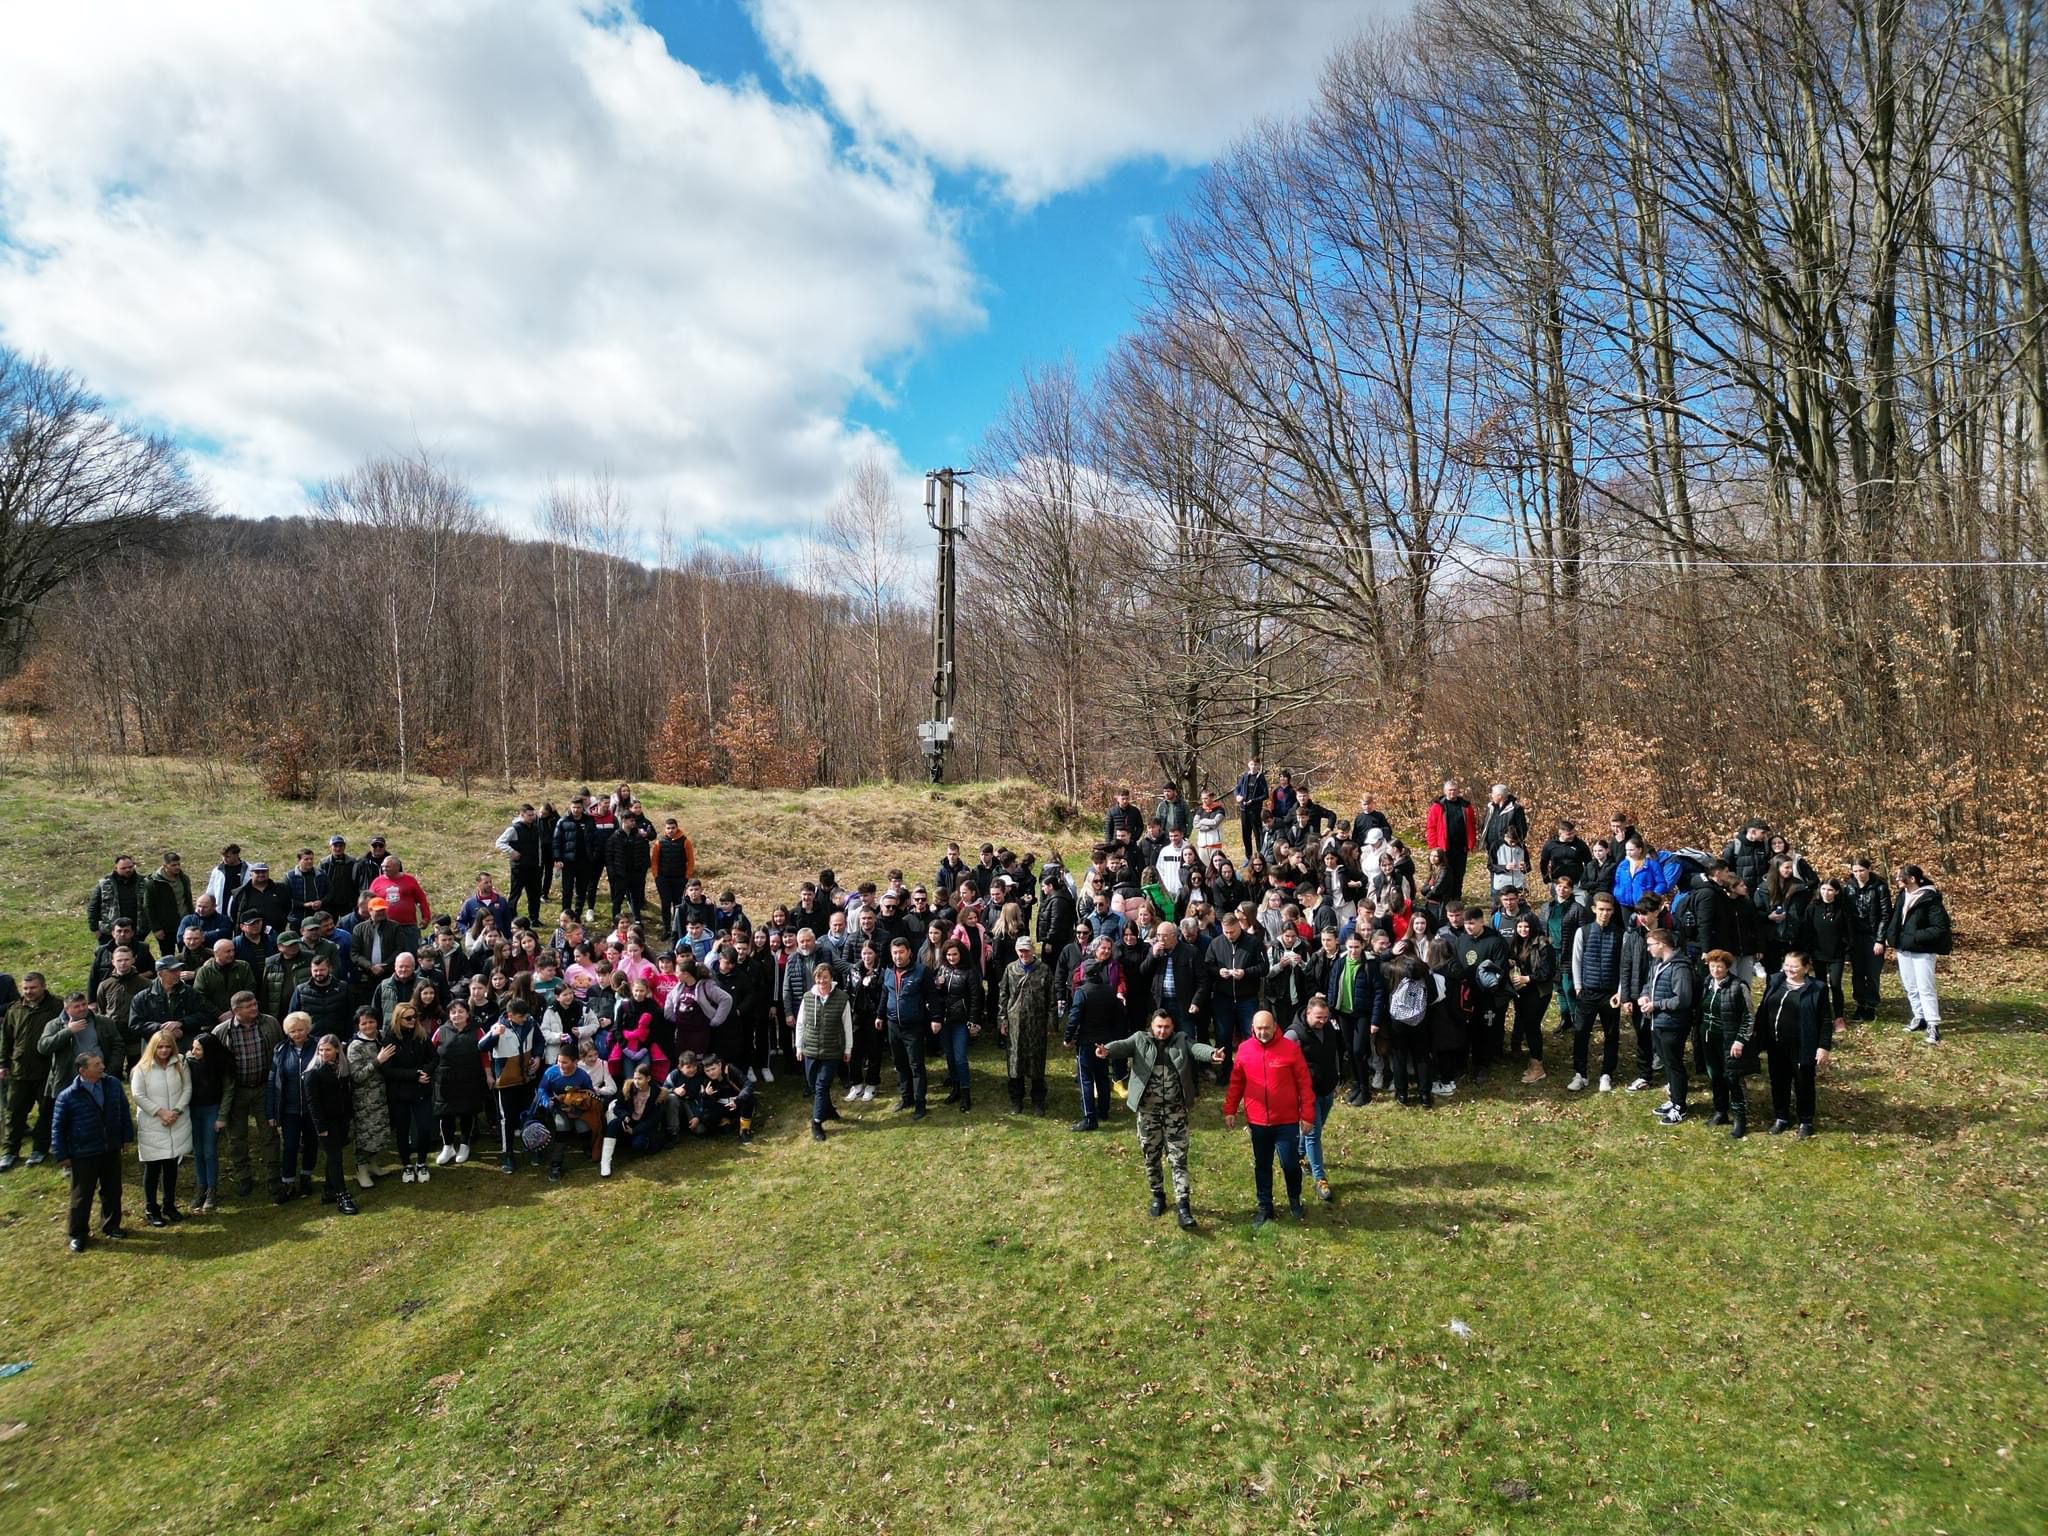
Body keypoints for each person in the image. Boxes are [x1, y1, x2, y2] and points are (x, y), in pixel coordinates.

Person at [1099, 1008, 1219, 1229]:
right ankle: (1158, 1196)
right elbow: (1122, 1046)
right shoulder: (1140, 1040)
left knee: (1179, 1159)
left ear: (1173, 1027)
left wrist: (1211, 1053)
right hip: (1148, 1113)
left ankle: (1184, 1207)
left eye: (1167, 1027)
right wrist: (1107, 1050)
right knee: (1151, 1157)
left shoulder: (1181, 1040)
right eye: (1159, 1027)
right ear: (1151, 1027)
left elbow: (1196, 1048)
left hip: (1176, 1113)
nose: (1162, 1031)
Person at [1222, 1009, 1314, 1227]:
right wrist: (1230, 1109)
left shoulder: (1290, 1050)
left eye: (1267, 1028)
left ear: (1275, 1027)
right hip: (1258, 1121)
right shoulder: (1244, 1050)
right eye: (1258, 1028)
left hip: (1286, 1120)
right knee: (1262, 1165)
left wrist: (1308, 1115)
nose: (1263, 1032)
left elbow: (1304, 1083)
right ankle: (1265, 1207)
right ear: (1252, 1028)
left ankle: (1294, 1200)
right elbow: (1236, 1083)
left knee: (1290, 1164)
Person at [52, 1050, 132, 1253]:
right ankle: (78, 1234)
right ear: (83, 1070)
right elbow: (58, 1128)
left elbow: (123, 1110)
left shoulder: (112, 1084)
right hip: (84, 1152)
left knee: (113, 1190)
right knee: (81, 1195)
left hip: (110, 1148)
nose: (102, 1067)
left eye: (101, 1063)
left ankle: (111, 1225)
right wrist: (62, 1155)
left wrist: (126, 1137)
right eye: (97, 1065)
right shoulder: (68, 1096)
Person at [214, 989, 284, 1197]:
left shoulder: (270, 1023)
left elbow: (279, 1049)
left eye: (255, 1004)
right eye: (249, 1006)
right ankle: (243, 1176)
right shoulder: (221, 1032)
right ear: (236, 1011)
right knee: (236, 1137)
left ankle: (273, 1176)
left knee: (269, 1134)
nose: (254, 1008)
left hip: (264, 1087)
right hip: (236, 1091)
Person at [1756, 952, 1833, 1138]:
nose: (1789, 969)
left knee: (1803, 1083)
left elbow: (1825, 1019)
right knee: (1778, 1082)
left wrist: (1823, 1046)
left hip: (1802, 1045)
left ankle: (1805, 1121)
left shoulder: (1817, 988)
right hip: (1776, 1044)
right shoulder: (1775, 980)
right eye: (1787, 965)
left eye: (1794, 966)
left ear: (1806, 968)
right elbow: (1763, 1009)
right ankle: (1781, 1117)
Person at [129, 1027, 192, 1226]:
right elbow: (138, 1096)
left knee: (172, 1166)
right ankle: (151, 1208)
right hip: (154, 1123)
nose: (164, 1051)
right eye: (160, 1047)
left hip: (176, 1121)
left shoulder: (180, 1063)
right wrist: (161, 1112)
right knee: (153, 1167)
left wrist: (177, 1110)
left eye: (167, 1047)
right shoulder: (141, 1068)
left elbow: (187, 1088)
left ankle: (169, 1205)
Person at [1885, 864, 1953, 1044]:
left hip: (1922, 951)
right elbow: (1895, 919)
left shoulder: (1930, 898)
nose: (1897, 880)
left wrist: (1914, 937)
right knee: (1910, 986)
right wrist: (1892, 938)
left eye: (1900, 877)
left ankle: (1933, 1024)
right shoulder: (1902, 895)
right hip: (1903, 949)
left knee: (1925, 988)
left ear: (1912, 879)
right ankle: (1919, 1017)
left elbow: (1940, 927)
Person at [1638, 927, 1698, 1124]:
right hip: (1657, 1022)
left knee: (1674, 1064)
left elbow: (1682, 999)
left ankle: (1680, 1106)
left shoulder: (1680, 967)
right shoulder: (1657, 963)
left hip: (1673, 1024)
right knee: (1666, 1062)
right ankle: (1673, 1099)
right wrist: (1644, 996)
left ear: (1662, 945)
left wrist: (1655, 1005)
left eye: (1650, 945)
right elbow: (1649, 984)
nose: (1648, 949)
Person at [2, 972, 60, 1169]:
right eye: (26, 988)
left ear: (43, 986)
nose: (29, 992)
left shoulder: (57, 1007)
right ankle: (10, 1151)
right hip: (19, 1071)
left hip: (47, 1071)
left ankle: (40, 1149)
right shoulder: (15, 1009)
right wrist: (3, 1064)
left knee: (46, 1112)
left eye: (33, 988)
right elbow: (7, 1039)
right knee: (14, 1113)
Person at [1568, 893, 1626, 1092]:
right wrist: (1577, 986)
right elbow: (1576, 960)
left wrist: (1620, 991)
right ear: (1593, 909)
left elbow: (1623, 966)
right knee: (1581, 1033)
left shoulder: (1620, 934)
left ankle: (1606, 1074)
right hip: (1587, 991)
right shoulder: (1582, 932)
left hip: (1610, 994)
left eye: (1608, 910)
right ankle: (1580, 1074)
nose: (1604, 913)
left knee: (1611, 1034)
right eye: (1601, 909)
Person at [1286, 995, 1341, 1204]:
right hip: (1307, 1094)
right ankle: (1320, 1178)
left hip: (1327, 1089)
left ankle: (1299, 1154)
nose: (1323, 1022)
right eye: (1319, 1017)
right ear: (1308, 1013)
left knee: (1313, 1129)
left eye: (1326, 1017)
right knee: (1314, 1134)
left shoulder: (1328, 1028)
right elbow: (1283, 1063)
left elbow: (1333, 1054)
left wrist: (1336, 1078)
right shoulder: (1293, 1035)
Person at [792, 960, 852, 1141]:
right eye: (819, 978)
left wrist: (848, 1048)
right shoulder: (807, 997)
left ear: (831, 978)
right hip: (810, 1049)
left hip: (832, 1049)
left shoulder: (842, 998)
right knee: (813, 1085)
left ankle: (816, 1121)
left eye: (825, 977)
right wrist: (799, 1046)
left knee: (822, 1084)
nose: (822, 981)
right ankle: (830, 1110)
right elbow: (801, 1024)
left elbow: (847, 1025)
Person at [997, 935, 1057, 1115]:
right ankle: (1016, 1099)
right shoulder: (1010, 969)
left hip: (1037, 1024)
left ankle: (1038, 1100)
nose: (1024, 953)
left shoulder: (1044, 970)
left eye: (1026, 950)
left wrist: (1051, 1024)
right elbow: (1003, 996)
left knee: (1037, 1062)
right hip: (1015, 1024)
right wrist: (1002, 1019)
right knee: (1015, 1063)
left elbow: (1051, 998)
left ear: (1033, 950)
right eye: (1020, 950)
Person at [264, 1011, 320, 1202]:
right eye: (293, 1031)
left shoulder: (318, 1046)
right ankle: (287, 1182)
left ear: (308, 1029)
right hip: (289, 1109)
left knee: (312, 1143)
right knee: (289, 1146)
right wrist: (271, 1111)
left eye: (301, 1030)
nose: (297, 1034)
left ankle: (306, 1176)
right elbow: (273, 1081)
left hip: (313, 1108)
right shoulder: (280, 1050)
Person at [1065, 956, 1124, 1132]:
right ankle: (1103, 1110)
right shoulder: (1108, 990)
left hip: (1086, 1042)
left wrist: (1068, 1037)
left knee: (1085, 1079)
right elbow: (1118, 1015)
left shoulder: (1082, 992)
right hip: (1104, 1041)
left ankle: (1089, 1117)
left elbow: (1074, 1017)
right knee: (1102, 1076)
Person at [380, 1003, 438, 1183]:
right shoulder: (390, 1039)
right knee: (403, 1130)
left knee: (424, 1127)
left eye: (415, 1017)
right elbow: (388, 1070)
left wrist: (425, 1072)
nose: (413, 1021)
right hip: (400, 1092)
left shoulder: (421, 1035)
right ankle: (406, 1164)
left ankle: (421, 1162)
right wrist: (414, 1075)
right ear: (398, 1019)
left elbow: (434, 1057)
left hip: (421, 1090)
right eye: (408, 1018)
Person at [484, 999, 544, 1173]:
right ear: (510, 1016)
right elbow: (481, 1046)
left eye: (526, 1015)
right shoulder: (498, 1026)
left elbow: (540, 1041)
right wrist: (495, 1034)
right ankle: (508, 1154)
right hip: (506, 1081)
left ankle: (533, 1147)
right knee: (507, 1119)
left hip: (526, 1078)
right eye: (521, 1016)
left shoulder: (531, 1023)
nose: (525, 1019)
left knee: (530, 1115)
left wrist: (538, 1057)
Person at [302, 1033, 360, 1213]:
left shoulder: (342, 1070)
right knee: (336, 1158)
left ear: (337, 1050)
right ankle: (342, 1195)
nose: (324, 1053)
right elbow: (313, 1103)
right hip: (325, 1124)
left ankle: (329, 1190)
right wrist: (321, 1128)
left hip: (341, 1120)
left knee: (334, 1157)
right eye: (321, 1050)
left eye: (328, 1049)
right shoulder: (313, 1073)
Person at [1699, 950, 1754, 1138]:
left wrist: (1740, 1040)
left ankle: (1740, 1118)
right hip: (1708, 1037)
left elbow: (1748, 1017)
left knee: (1732, 1078)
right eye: (1712, 966)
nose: (1715, 970)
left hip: (1729, 1039)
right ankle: (1720, 1111)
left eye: (1719, 967)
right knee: (1714, 1075)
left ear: (1727, 967)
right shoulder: (1707, 983)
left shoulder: (1739, 986)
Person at [881, 936, 932, 1119]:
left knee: (916, 1065)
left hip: (914, 1026)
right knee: (900, 1064)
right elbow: (885, 995)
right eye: (894, 953)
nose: (897, 956)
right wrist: (880, 1016)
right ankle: (906, 1097)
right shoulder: (888, 972)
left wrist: (935, 1019)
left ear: (909, 952)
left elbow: (931, 997)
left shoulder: (921, 972)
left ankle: (920, 1103)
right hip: (893, 1025)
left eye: (901, 952)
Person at [344, 1008, 395, 1189]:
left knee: (379, 1133)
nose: (368, 1026)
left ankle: (373, 1164)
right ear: (358, 1025)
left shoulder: (382, 1037)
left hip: (382, 1095)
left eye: (371, 1022)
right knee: (365, 1135)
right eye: (364, 1023)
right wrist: (377, 1061)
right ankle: (361, 1170)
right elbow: (356, 1076)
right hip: (364, 1099)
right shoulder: (355, 1046)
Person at [431, 999, 486, 1165]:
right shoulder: (440, 1031)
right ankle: (448, 1146)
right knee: (446, 1114)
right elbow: (431, 1054)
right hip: (445, 1080)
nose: (457, 1015)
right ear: (449, 1015)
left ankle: (464, 1145)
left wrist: (489, 1075)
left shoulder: (477, 1031)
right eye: (453, 1012)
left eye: (461, 1011)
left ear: (467, 1013)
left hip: (470, 1079)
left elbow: (485, 1055)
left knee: (466, 1112)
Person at [183, 1032, 232, 1213]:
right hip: (193, 1111)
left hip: (212, 1110)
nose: (194, 1052)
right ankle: (201, 1187)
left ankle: (212, 1189)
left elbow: (228, 1090)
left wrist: (222, 1116)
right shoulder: (188, 1062)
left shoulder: (221, 1064)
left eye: (198, 1049)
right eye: (193, 1048)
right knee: (198, 1151)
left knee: (210, 1151)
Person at [1844, 857, 1892, 1023]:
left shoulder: (1879, 887)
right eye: (1855, 871)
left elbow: (1886, 915)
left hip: (1873, 935)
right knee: (1857, 973)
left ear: (1869, 869)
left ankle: (1871, 1005)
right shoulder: (1848, 888)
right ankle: (1860, 1004)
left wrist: (1880, 939)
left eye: (1862, 870)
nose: (1859, 874)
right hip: (1855, 937)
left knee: (1872, 973)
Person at [602, 1062, 666, 1175]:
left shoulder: (656, 1094)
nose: (636, 1081)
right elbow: (618, 1107)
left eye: (640, 1078)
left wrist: (635, 1131)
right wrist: (625, 1115)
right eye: (635, 1078)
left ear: (648, 1078)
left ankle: (639, 1141)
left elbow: (653, 1119)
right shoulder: (629, 1088)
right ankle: (605, 1162)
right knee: (613, 1124)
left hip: (642, 1125)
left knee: (637, 1145)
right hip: (629, 1121)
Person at [496, 804, 549, 922]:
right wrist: (512, 851)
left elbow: (539, 847)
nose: (532, 817)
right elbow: (500, 842)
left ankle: (534, 919)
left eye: (533, 815)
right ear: (522, 815)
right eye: (529, 815)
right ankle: (511, 919)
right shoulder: (514, 829)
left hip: (535, 867)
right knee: (515, 894)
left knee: (535, 895)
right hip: (519, 868)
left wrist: (540, 864)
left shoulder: (536, 828)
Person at [1425, 780, 1477, 900]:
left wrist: (1472, 843)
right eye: (1450, 790)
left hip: (1461, 848)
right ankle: (1442, 899)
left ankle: (1456, 899)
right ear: (1445, 791)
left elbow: (1472, 826)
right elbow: (1431, 827)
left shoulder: (1466, 806)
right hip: (1443, 848)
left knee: (1459, 875)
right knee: (1443, 875)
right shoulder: (1437, 806)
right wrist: (1434, 847)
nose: (1452, 792)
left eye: (1454, 790)